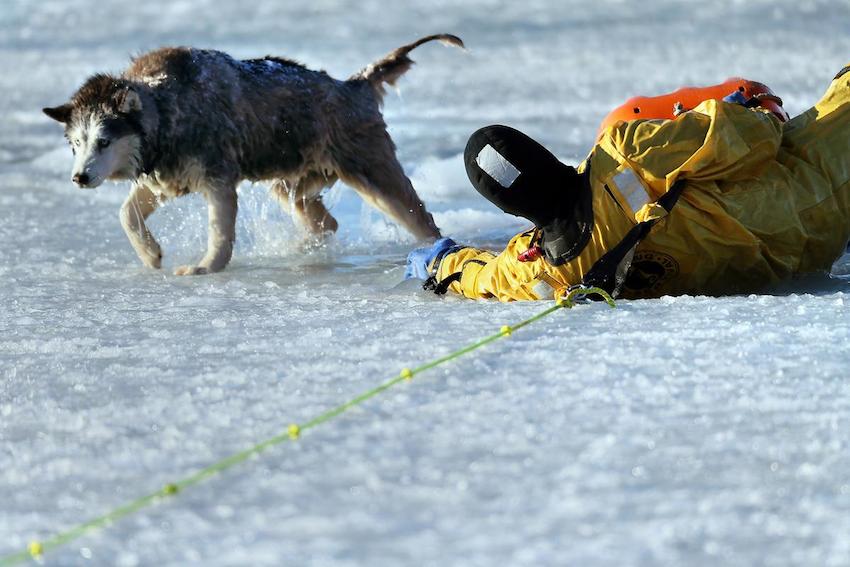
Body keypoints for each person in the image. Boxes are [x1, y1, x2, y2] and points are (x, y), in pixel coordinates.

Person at [405, 65, 850, 301]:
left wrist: (443, 263)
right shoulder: (624, 152)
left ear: (508, 206)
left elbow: (483, 278)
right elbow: (759, 138)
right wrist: (743, 109)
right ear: (540, 152)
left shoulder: (542, 270)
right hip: (822, 179)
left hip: (796, 260)